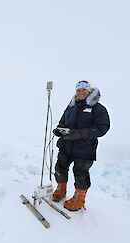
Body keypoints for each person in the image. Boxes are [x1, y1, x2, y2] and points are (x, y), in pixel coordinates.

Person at [52, 81, 110, 211]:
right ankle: (61, 190)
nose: (81, 92)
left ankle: (79, 199)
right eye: (78, 90)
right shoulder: (71, 106)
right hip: (66, 145)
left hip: (85, 148)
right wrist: (59, 130)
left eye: (84, 90)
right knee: (60, 168)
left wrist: (79, 133)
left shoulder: (98, 108)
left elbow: (102, 128)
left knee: (80, 173)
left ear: (89, 91)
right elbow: (63, 122)